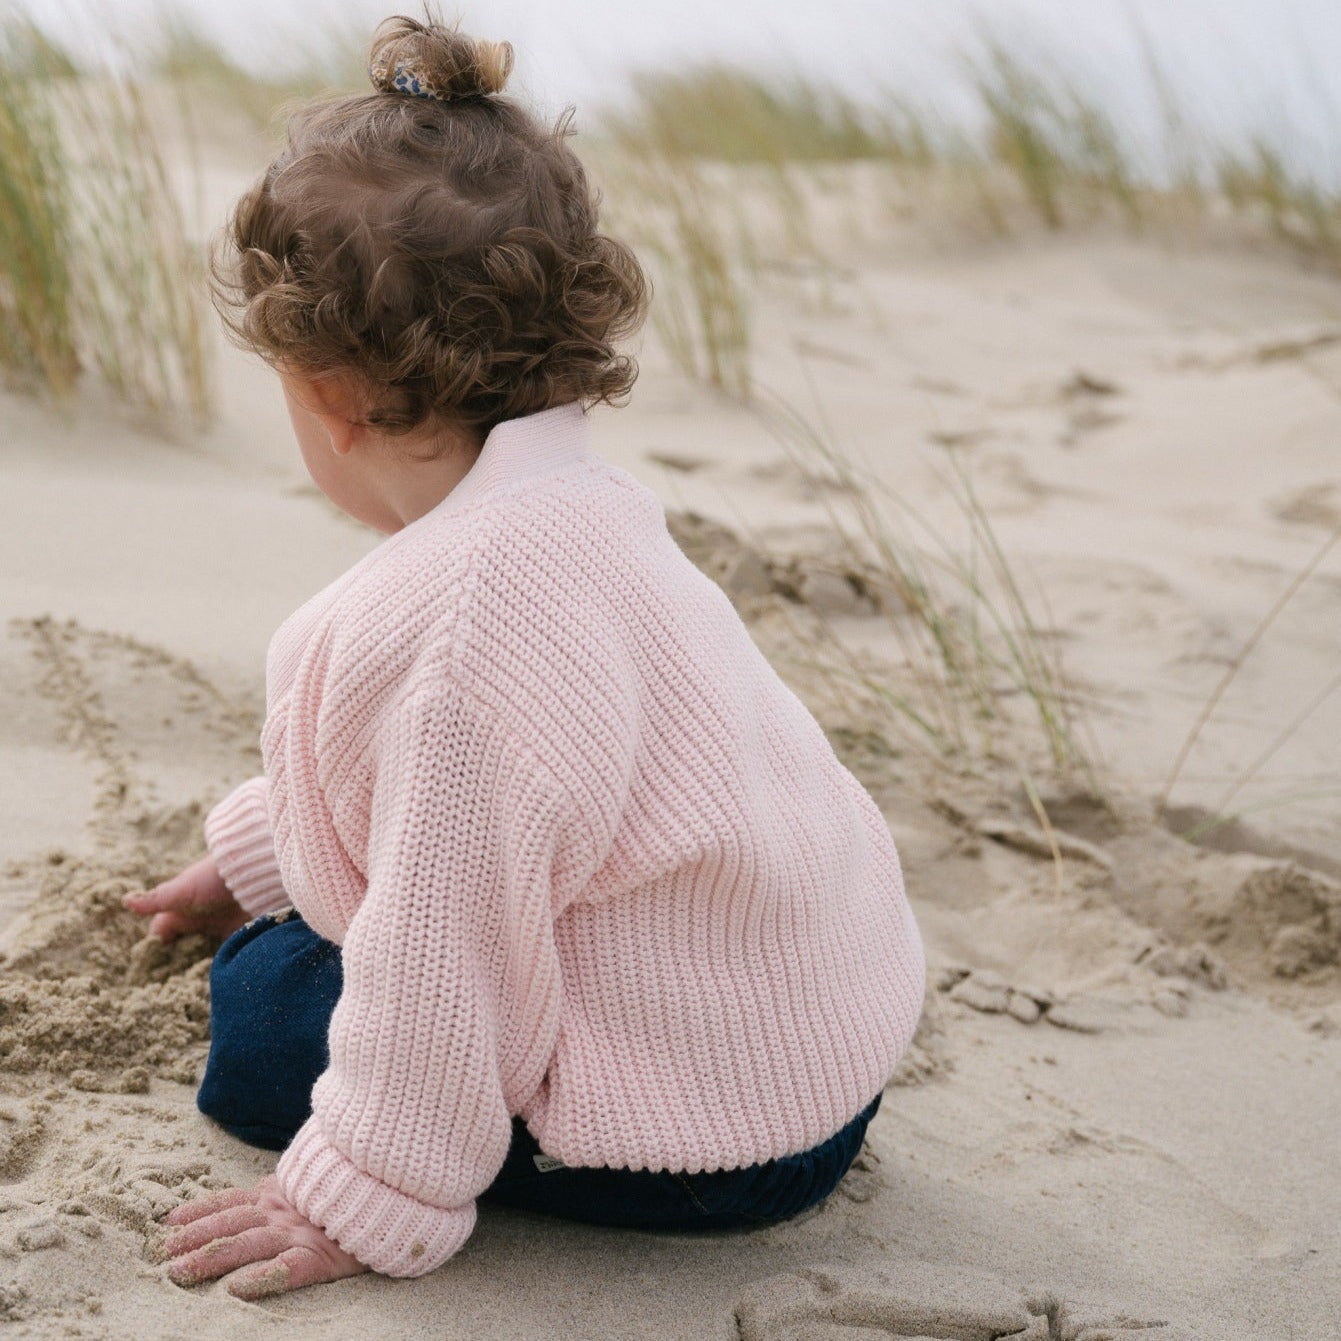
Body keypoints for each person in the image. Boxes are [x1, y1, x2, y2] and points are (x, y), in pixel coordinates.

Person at [122, 11, 926, 1302]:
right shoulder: (596, 518)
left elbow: (446, 946)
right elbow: (516, 787)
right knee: (304, 943)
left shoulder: (457, 634)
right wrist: (262, 852)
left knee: (263, 1019)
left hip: (713, 1144)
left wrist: (364, 1196)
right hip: (811, 1048)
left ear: (324, 395)